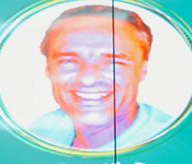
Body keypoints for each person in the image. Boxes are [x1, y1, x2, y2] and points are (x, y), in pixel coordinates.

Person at [26, 4, 178, 151]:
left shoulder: (172, 143)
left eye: (113, 62)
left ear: (143, 70)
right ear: (48, 68)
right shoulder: (39, 133)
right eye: (69, 61)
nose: (88, 79)